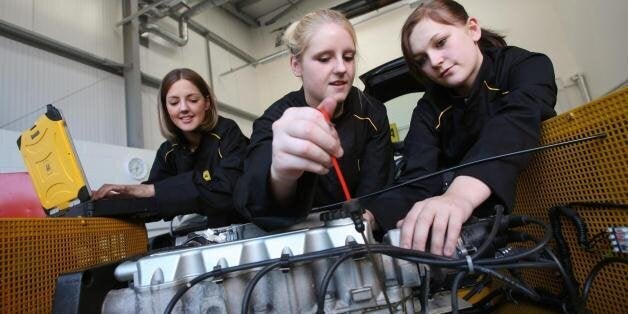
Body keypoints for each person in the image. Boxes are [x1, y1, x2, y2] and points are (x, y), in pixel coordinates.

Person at [366, 0, 557, 256]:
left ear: (473, 29)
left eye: (441, 42)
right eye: (421, 59)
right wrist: (370, 218)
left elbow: (514, 123)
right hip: (484, 238)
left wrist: (458, 197)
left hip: (550, 207)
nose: (434, 61)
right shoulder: (428, 110)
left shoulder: (526, 66)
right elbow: (417, 179)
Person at [235, 9, 394, 229]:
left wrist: (368, 218)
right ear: (296, 65)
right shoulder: (273, 120)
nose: (341, 68)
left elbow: (379, 188)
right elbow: (251, 200)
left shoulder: (371, 112)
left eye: (348, 57)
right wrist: (280, 176)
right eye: (324, 58)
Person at [93, 68, 249, 226]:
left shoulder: (227, 133)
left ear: (207, 103)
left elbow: (228, 191)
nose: (183, 108)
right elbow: (154, 202)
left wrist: (153, 190)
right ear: (166, 108)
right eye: (174, 102)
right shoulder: (167, 152)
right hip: (206, 231)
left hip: (246, 225)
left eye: (193, 100)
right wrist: (117, 202)